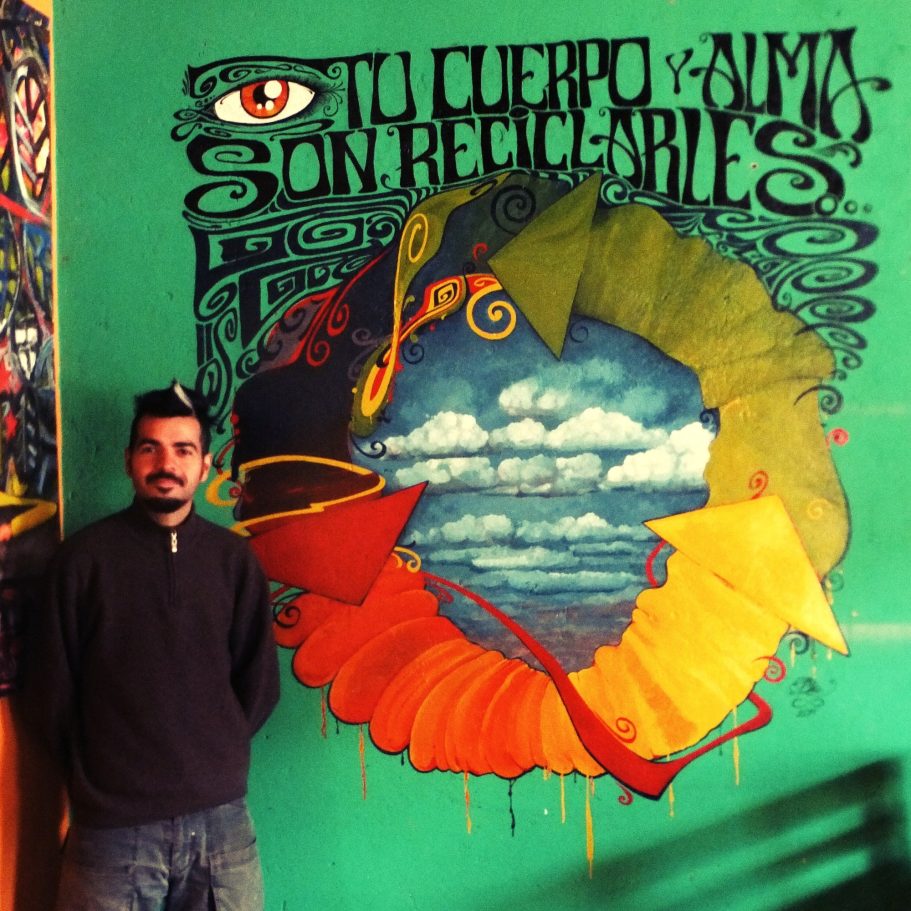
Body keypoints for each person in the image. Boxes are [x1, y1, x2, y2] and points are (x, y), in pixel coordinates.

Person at [32, 381, 280, 911]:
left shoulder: (234, 562)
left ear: (205, 465)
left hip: (221, 829)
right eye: (151, 448)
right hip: (110, 833)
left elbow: (258, 685)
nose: (166, 464)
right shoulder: (82, 562)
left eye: (183, 450)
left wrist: (211, 755)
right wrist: (102, 776)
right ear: (129, 460)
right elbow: (50, 695)